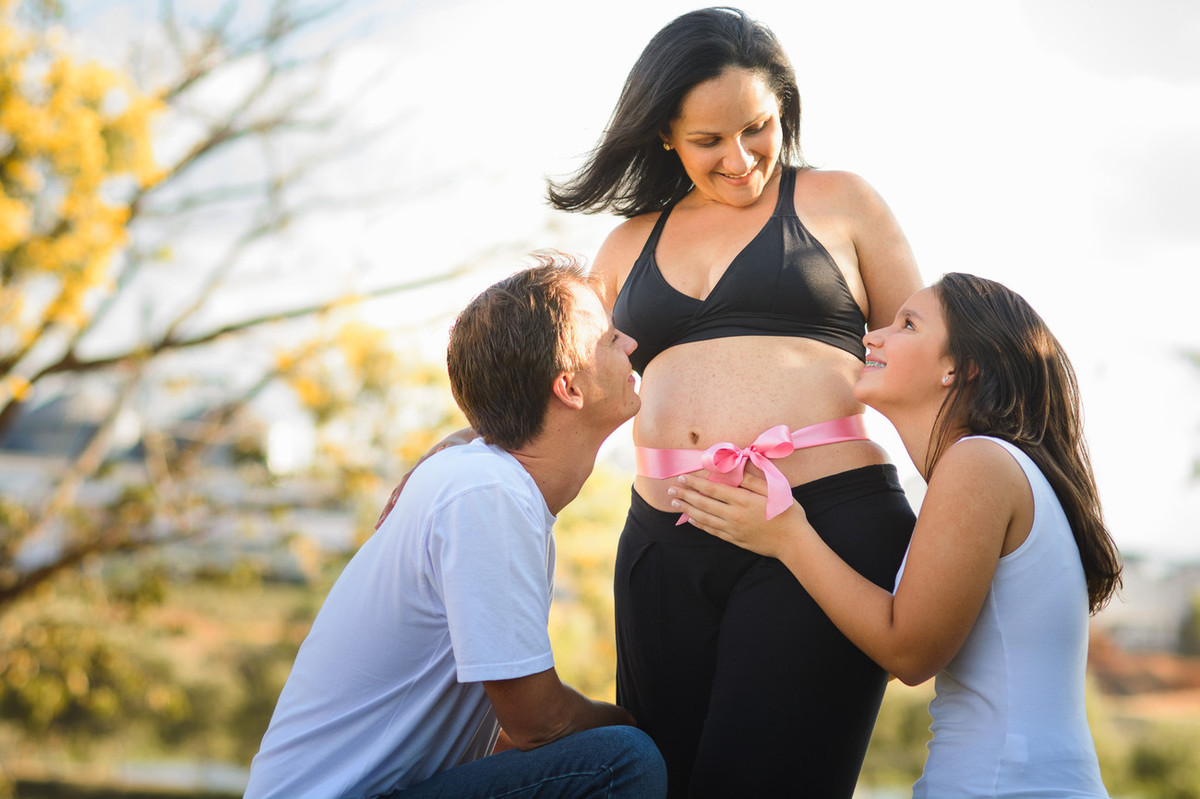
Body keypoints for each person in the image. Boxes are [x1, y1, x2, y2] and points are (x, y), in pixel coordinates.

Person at [545, 6, 923, 797]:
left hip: (823, 525)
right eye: (709, 140)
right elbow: (556, 388)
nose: (741, 159)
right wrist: (462, 453)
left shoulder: (843, 202)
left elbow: (925, 371)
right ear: (664, 135)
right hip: (663, 545)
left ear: (783, 108)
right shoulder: (626, 244)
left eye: (758, 128)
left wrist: (980, 496)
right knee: (658, 780)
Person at [670, 273, 1122, 798]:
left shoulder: (979, 462)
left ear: (960, 367)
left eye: (907, 324)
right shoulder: (995, 467)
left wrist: (787, 536)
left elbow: (909, 654)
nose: (873, 336)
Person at [243, 254, 667, 799]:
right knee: (623, 760)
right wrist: (629, 719)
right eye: (610, 339)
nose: (630, 343)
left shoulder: (484, 482)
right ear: (569, 387)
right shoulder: (488, 494)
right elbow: (538, 723)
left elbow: (506, 739)